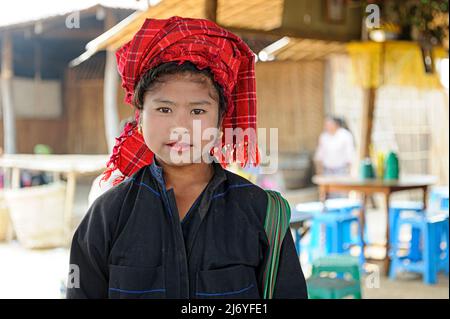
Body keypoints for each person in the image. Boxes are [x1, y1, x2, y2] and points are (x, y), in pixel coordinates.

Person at [67, 17, 307, 299]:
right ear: (139, 118)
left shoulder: (263, 214)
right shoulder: (107, 216)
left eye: (197, 111)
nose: (180, 127)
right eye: (164, 109)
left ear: (220, 122)